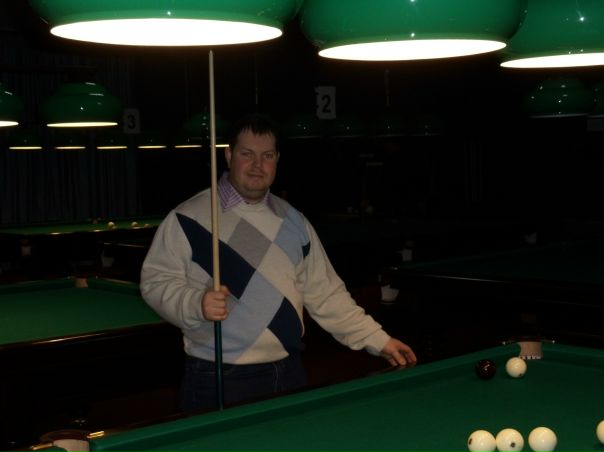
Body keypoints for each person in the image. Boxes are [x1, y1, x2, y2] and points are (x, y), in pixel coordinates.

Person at [140, 113, 417, 412]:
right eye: (247, 154)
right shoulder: (189, 218)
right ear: (229, 155)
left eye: (267, 156)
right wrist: (195, 303)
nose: (257, 165)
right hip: (219, 374)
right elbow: (155, 283)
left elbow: (326, 294)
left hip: (289, 371)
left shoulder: (295, 222)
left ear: (277, 160)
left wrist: (377, 339)